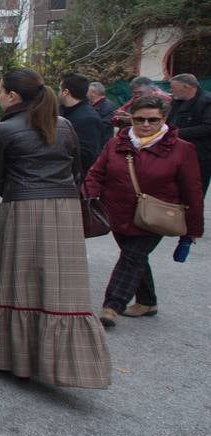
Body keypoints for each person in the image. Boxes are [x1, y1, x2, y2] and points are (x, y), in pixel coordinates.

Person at [0, 68, 110, 387]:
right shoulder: (64, 125)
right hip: (65, 210)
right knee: (61, 287)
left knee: (16, 280)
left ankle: (14, 354)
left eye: (0, 90)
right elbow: (76, 169)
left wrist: (15, 195)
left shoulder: (3, 129)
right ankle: (66, 361)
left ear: (12, 96)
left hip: (22, 207)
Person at [84, 94, 204, 325]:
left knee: (132, 257)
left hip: (155, 217)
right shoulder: (116, 143)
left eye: (153, 120)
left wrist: (192, 230)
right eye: (140, 120)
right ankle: (147, 301)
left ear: (164, 119)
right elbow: (96, 173)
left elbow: (193, 190)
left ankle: (112, 306)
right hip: (117, 213)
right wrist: (87, 199)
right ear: (131, 118)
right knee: (136, 258)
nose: (146, 125)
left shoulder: (182, 149)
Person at [168, 73, 211, 197]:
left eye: (173, 87)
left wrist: (177, 133)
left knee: (195, 192)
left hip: (200, 155)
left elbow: (208, 127)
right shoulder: (177, 101)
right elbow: (169, 120)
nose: (171, 90)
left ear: (186, 87)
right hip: (176, 152)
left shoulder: (207, 101)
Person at [58, 72, 105, 177]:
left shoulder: (89, 118)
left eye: (59, 89)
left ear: (65, 92)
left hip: (74, 180)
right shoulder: (61, 111)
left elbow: (87, 156)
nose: (58, 93)